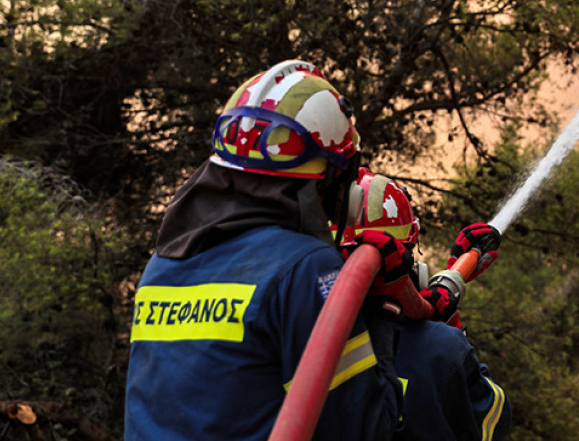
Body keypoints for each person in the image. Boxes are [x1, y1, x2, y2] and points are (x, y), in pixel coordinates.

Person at [124, 60, 411, 441]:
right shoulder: (307, 269)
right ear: (325, 178)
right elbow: (360, 427)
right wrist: (382, 309)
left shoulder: (161, 266)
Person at [339, 171, 512, 441]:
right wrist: (447, 324)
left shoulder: (301, 330)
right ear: (408, 257)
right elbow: (493, 420)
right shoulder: (441, 349)